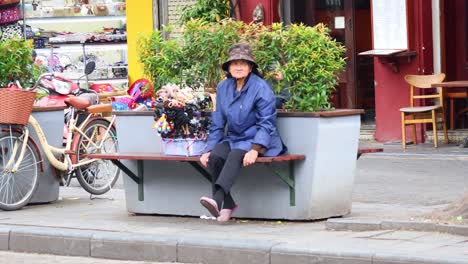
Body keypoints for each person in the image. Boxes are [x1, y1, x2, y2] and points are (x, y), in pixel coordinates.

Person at [199, 43, 287, 222]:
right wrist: (208, 149)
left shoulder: (260, 87)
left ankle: (217, 200)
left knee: (235, 154)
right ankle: (228, 203)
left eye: (243, 63)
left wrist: (256, 149)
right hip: (234, 138)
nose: (238, 67)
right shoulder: (223, 88)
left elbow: (267, 122)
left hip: (257, 139)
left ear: (250, 67)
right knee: (215, 156)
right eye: (234, 63)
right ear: (229, 68)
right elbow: (217, 122)